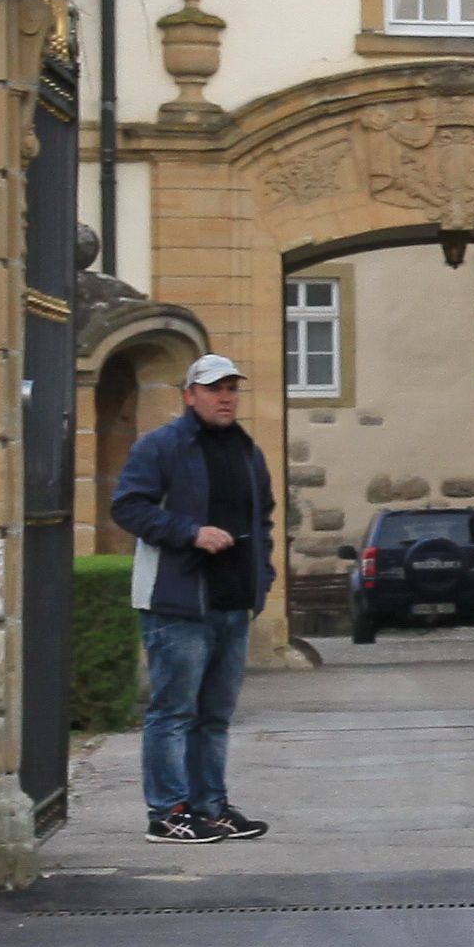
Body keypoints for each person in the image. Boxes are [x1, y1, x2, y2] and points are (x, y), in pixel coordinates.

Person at [106, 352, 278, 842]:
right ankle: (167, 812)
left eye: (231, 389)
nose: (225, 397)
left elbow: (261, 521)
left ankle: (210, 806)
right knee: (174, 712)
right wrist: (189, 532)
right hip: (175, 602)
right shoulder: (161, 447)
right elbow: (128, 507)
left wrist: (260, 579)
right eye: (213, 388)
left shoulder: (248, 451)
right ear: (190, 395)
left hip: (231, 601)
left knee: (215, 716)